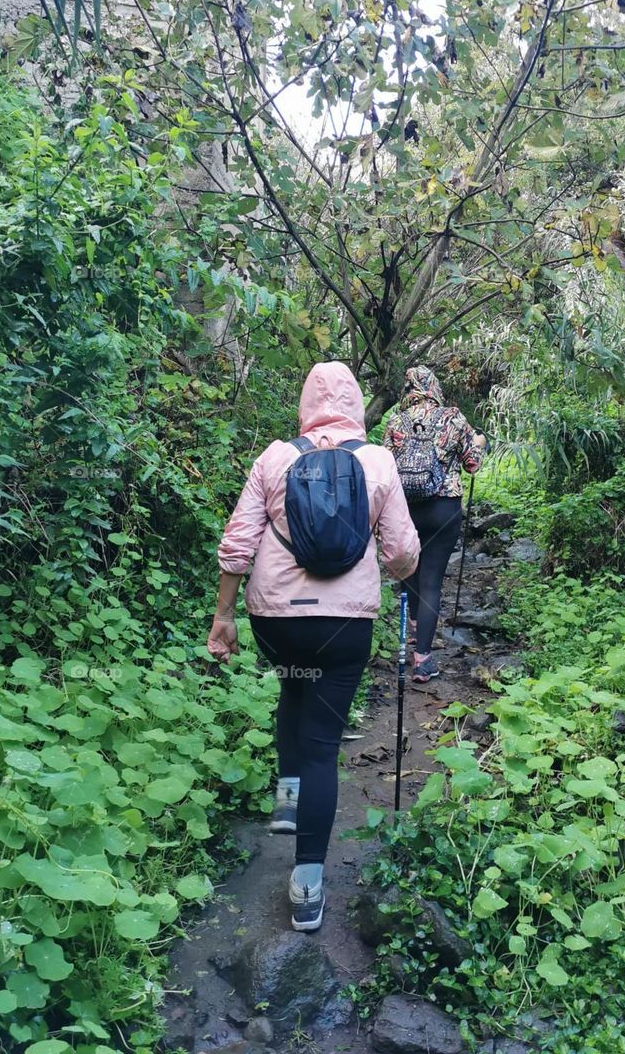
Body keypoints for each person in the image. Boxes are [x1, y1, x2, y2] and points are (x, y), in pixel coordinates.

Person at [207, 362, 419, 933]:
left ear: (305, 403)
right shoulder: (377, 462)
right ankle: (306, 886)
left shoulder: (275, 457)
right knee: (322, 741)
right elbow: (401, 554)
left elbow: (236, 544)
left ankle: (288, 805)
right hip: (342, 626)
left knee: (291, 695)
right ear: (355, 404)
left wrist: (223, 617)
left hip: (278, 624)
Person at [384, 365, 485, 684]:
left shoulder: (395, 421)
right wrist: (479, 443)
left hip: (405, 508)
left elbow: (386, 465)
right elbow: (472, 465)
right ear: (434, 387)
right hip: (444, 507)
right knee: (431, 580)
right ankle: (423, 660)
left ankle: (414, 632)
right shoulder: (453, 417)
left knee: (409, 574)